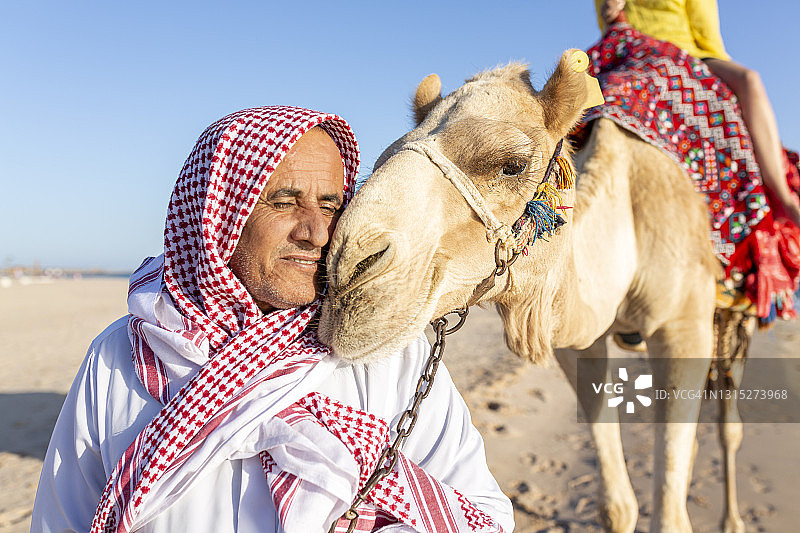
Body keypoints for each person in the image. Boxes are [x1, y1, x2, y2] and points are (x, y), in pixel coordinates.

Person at [31, 106, 514, 533]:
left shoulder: (390, 356)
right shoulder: (122, 356)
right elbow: (62, 519)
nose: (317, 232)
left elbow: (482, 514)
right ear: (217, 213)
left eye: (330, 204)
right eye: (284, 202)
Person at [597, 0, 800, 229]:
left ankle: (781, 196)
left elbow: (707, 34)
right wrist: (610, 14)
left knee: (749, 80)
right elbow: (611, 31)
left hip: (690, 53)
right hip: (636, 55)